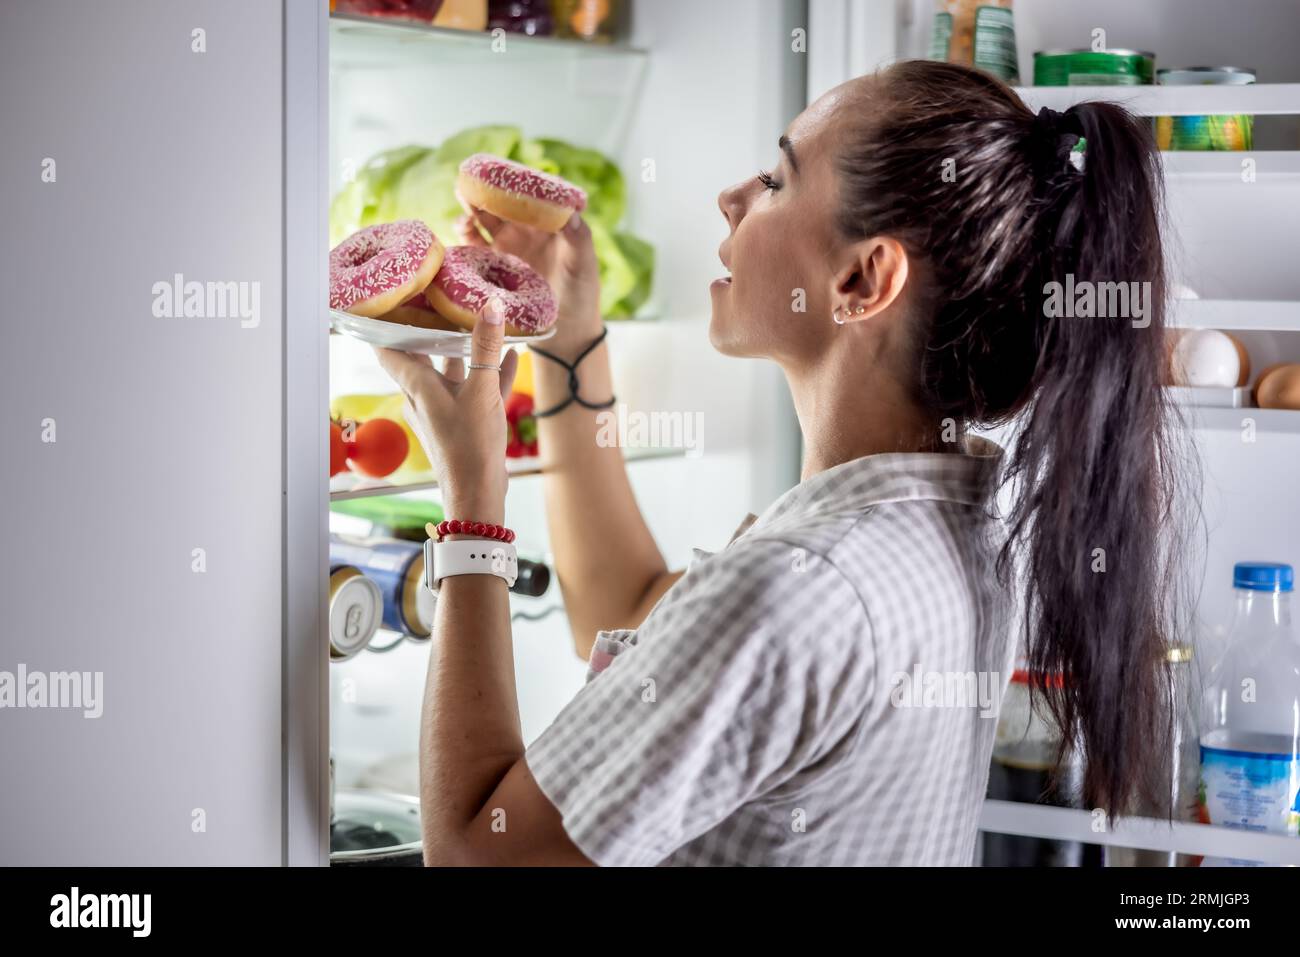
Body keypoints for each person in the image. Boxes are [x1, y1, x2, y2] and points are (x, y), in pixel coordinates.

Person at [375, 59, 1187, 866]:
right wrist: (569, 344)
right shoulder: (944, 529)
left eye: (774, 180)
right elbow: (622, 606)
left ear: (862, 277)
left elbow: (474, 854)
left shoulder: (800, 584)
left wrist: (473, 502)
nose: (730, 198)